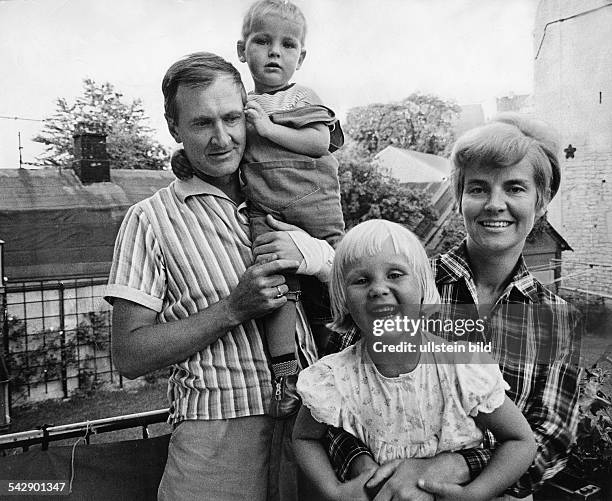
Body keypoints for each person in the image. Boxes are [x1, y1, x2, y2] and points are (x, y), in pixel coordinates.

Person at [105, 52, 334, 501]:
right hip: (216, 439)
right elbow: (130, 354)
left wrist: (322, 258)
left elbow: (365, 296)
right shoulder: (150, 220)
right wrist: (232, 309)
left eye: (232, 118)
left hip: (312, 427)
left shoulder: (288, 199)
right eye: (201, 123)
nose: (222, 138)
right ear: (174, 127)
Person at [324, 114, 581, 500]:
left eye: (515, 188)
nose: (496, 204)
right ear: (459, 197)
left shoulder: (558, 320)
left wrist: (451, 469)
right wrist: (376, 474)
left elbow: (551, 436)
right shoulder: (406, 288)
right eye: (478, 188)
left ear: (541, 201)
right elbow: (336, 391)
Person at [172, 0, 345, 418]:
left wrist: (268, 128)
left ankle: (339, 367)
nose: (274, 52)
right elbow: (223, 147)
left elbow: (321, 143)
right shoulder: (238, 107)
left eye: (287, 45)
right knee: (274, 292)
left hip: (314, 210)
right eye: (262, 41)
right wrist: (182, 157)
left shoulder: (300, 97)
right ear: (241, 49)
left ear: (300, 57)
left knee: (335, 291)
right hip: (267, 213)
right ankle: (285, 377)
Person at [292, 219, 537, 501]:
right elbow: (305, 438)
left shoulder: (461, 368)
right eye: (361, 280)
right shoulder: (334, 376)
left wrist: (474, 493)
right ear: (343, 299)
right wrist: (334, 492)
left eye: (395, 274)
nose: (378, 289)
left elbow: (520, 441)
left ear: (422, 286)